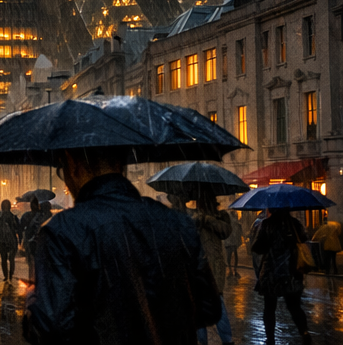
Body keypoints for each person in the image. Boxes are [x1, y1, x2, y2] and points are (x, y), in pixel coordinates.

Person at [23, 146, 221, 345]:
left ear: (73, 163)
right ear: (120, 164)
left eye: (61, 169)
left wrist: (33, 296)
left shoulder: (63, 231)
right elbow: (209, 309)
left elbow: (49, 329)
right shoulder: (178, 223)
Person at [250, 208, 313, 345]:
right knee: (295, 306)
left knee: (269, 307)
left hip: (272, 273)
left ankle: (270, 338)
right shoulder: (295, 224)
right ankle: (305, 333)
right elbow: (304, 241)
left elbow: (258, 247)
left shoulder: (267, 224)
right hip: (292, 272)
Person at [191, 192, 233, 345]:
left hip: (214, 269)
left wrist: (208, 220)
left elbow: (226, 231)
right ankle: (202, 340)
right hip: (197, 268)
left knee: (217, 303)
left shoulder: (221, 216)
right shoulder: (194, 218)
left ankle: (227, 340)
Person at [0, 200, 22, 283]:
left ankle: (6, 275)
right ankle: (10, 274)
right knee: (11, 259)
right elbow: (18, 228)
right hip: (12, 240)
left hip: (2, 241)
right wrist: (20, 239)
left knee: (3, 259)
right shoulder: (13, 217)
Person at [20, 198, 46, 282]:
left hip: (31, 241)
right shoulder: (42, 216)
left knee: (31, 262)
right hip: (39, 242)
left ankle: (32, 279)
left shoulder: (27, 215)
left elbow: (21, 227)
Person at [225, 210, 243, 275]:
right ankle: (232, 269)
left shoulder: (234, 222)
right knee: (231, 255)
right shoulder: (233, 222)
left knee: (232, 255)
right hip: (230, 241)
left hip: (231, 241)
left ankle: (232, 269)